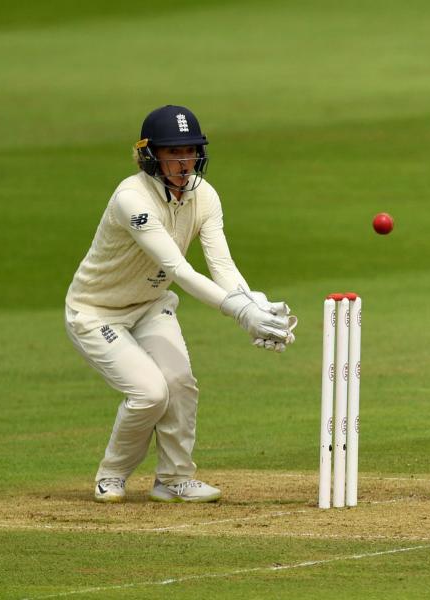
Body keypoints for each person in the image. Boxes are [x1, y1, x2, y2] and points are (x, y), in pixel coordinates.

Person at [64, 105, 296, 503]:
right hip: (97, 311)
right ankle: (112, 474)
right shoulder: (131, 199)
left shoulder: (204, 196)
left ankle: (174, 479)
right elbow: (179, 269)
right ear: (150, 155)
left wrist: (253, 302)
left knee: (179, 384)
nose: (183, 162)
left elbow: (222, 266)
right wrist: (242, 314)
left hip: (151, 304)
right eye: (173, 153)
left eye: (189, 151)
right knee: (150, 393)